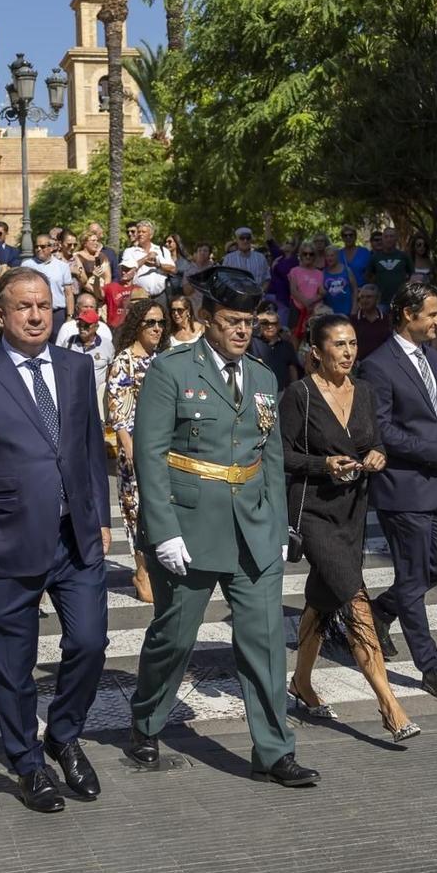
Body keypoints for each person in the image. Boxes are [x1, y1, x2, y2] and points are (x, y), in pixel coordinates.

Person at [128, 265, 318, 786]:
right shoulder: (172, 371)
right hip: (189, 526)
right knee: (174, 637)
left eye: (250, 322)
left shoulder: (262, 376)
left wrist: (278, 527)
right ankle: (146, 720)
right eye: (232, 321)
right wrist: (161, 531)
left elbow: (271, 456)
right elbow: (149, 455)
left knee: (262, 640)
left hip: (253, 526)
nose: (242, 331)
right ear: (208, 320)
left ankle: (275, 751)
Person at [0, 267, 112, 811]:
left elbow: (87, 448)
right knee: (13, 666)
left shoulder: (77, 367)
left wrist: (102, 516)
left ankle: (62, 735)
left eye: (43, 306)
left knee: (89, 642)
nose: (36, 315)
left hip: (74, 538)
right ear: (2, 314)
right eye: (23, 307)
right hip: (4, 541)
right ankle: (28, 761)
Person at [282, 313, 419, 741]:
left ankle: (301, 684)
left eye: (353, 344)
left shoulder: (364, 393)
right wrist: (322, 463)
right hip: (314, 513)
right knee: (355, 600)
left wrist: (377, 455)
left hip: (352, 511)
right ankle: (389, 703)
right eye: (338, 345)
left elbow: (373, 441)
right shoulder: (299, 396)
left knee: (322, 602)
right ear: (317, 352)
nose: (347, 352)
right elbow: (279, 455)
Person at [358, 280, 437, 703]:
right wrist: (432, 449)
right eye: (432, 314)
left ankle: (379, 610)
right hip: (403, 487)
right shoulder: (378, 365)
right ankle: (430, 668)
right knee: (412, 579)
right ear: (408, 315)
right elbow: (381, 429)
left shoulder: (434, 355)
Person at [107, 301, 169, 607]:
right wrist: (128, 447)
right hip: (135, 447)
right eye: (150, 323)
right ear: (137, 325)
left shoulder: (164, 360)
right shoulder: (124, 361)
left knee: (160, 508)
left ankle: (159, 569)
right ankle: (142, 573)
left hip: (165, 447)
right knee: (137, 512)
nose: (157, 328)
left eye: (160, 322)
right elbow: (116, 411)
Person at [23, 233, 77, 330]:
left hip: (57, 313)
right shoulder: (26, 265)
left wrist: (70, 316)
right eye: (36, 247)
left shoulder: (62, 267)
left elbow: (68, 294)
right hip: (35, 312)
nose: (39, 249)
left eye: (42, 246)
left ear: (51, 248)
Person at [251, 307, 302, 388]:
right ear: (260, 325)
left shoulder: (287, 345)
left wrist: (294, 388)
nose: (270, 326)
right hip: (259, 389)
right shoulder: (253, 343)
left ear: (279, 325)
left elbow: (292, 369)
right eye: (265, 323)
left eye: (273, 323)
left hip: (283, 391)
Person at [120, 220, 172, 299]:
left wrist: (157, 264)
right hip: (139, 296)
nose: (140, 234)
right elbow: (127, 272)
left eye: (143, 232)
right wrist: (145, 258)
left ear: (151, 235)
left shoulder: (162, 250)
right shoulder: (129, 251)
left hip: (161, 296)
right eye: (139, 232)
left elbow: (173, 269)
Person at [369, 228, 414, 304]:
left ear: (396, 238)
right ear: (383, 239)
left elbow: (412, 274)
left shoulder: (403, 256)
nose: (389, 239)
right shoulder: (375, 258)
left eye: (391, 236)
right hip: (381, 301)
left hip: (401, 299)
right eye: (386, 237)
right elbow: (369, 276)